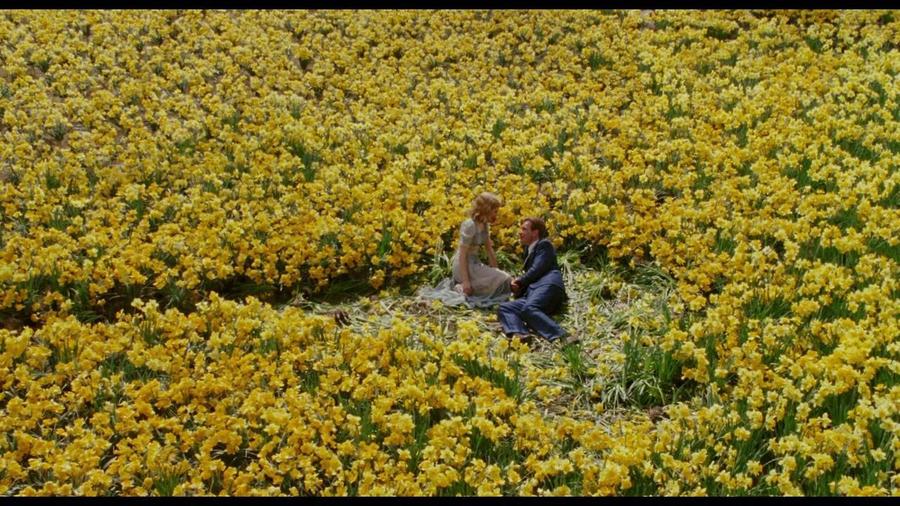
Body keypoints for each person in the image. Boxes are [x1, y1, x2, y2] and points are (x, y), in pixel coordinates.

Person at [498, 217, 571, 343]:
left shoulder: (544, 245)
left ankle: (563, 336)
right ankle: (521, 335)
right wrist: (518, 290)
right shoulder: (528, 250)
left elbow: (538, 269)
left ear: (535, 232)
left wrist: (519, 281)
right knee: (505, 308)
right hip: (534, 293)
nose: (520, 232)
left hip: (548, 287)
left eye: (524, 229)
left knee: (529, 308)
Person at [451, 192, 512, 301]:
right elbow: (462, 255)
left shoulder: (484, 225)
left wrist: (496, 271)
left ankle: (464, 288)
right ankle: (463, 286)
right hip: (463, 266)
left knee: (503, 279)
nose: (496, 215)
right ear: (486, 210)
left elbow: (489, 249)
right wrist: (466, 281)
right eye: (495, 211)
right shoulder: (470, 225)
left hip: (475, 264)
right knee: (503, 278)